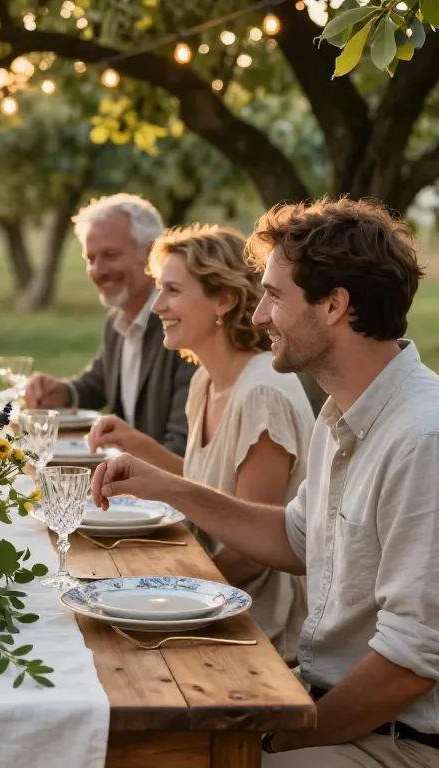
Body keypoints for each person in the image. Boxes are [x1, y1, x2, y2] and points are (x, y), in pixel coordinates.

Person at [92, 197, 439, 767]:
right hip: (326, 709)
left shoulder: (425, 438)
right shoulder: (344, 412)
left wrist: (278, 739)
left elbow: (409, 663)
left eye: (275, 296)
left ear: (334, 305)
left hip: (400, 743)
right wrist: (168, 486)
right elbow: (294, 536)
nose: (260, 316)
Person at [87, 224, 313, 662]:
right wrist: (137, 446)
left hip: (258, 628)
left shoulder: (262, 394)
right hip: (216, 601)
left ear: (224, 300)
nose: (156, 307)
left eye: (172, 291)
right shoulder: (205, 381)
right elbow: (207, 486)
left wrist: (167, 596)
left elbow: (251, 552)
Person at [24, 194, 196, 455]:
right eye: (90, 259)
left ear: (151, 254)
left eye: (111, 255)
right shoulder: (118, 320)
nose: (98, 270)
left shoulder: (182, 328)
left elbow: (182, 450)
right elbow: (98, 383)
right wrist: (62, 392)